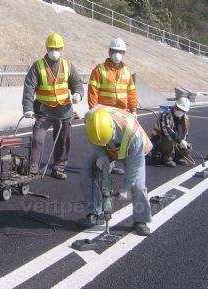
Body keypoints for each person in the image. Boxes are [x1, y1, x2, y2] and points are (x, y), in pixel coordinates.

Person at [80, 105, 152, 236]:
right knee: (87, 173)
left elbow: (134, 165)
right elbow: (95, 142)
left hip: (134, 151)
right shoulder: (90, 120)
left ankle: (141, 221)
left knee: (138, 186)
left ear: (112, 128)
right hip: (108, 149)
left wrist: (126, 188)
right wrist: (102, 156)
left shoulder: (133, 133)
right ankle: (94, 212)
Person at [22, 32, 84, 180]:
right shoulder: (38, 66)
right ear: (47, 48)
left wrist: (78, 95)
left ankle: (58, 167)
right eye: (51, 48)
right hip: (44, 111)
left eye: (57, 48)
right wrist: (28, 108)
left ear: (62, 49)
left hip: (64, 111)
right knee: (38, 139)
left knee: (63, 141)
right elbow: (29, 88)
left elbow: (77, 84)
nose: (54, 51)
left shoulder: (67, 65)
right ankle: (33, 169)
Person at [88, 38, 138, 117]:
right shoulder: (99, 69)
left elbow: (131, 92)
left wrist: (133, 109)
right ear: (109, 52)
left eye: (120, 51)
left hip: (122, 113)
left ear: (124, 53)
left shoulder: (126, 70)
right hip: (104, 112)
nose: (117, 54)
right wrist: (93, 109)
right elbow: (92, 92)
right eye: (114, 51)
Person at [150, 97, 191, 167]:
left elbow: (185, 133)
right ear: (175, 106)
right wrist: (180, 140)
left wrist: (183, 142)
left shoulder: (185, 118)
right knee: (169, 139)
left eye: (182, 110)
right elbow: (167, 132)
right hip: (159, 140)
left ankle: (179, 157)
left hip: (176, 141)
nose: (180, 111)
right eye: (179, 108)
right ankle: (168, 159)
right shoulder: (165, 115)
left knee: (188, 146)